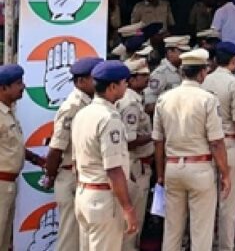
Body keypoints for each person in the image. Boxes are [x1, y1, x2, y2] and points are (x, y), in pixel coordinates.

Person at [153, 49, 230, 251]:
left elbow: (158, 142)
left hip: (172, 167)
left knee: (172, 229)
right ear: (202, 73)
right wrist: (225, 173)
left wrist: (160, 174)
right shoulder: (207, 99)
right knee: (201, 230)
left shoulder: (164, 99)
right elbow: (216, 142)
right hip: (200, 167)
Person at [71, 61, 138, 250]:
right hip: (103, 198)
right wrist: (127, 208)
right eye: (124, 82)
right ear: (113, 87)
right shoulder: (109, 118)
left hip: (84, 192)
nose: (127, 86)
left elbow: (76, 162)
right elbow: (114, 169)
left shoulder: (83, 113)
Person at [202, 42, 235, 251]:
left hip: (206, 146)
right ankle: (225, 247)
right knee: (228, 204)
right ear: (234, 60)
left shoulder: (203, 81)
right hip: (229, 143)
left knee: (205, 204)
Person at [44, 55, 100, 251]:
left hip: (84, 178)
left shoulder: (92, 103)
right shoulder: (72, 107)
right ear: (82, 81)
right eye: (95, 77)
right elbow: (56, 147)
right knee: (70, 237)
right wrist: (50, 175)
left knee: (84, 238)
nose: (99, 81)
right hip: (69, 176)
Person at [0, 66, 46, 250]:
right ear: (3, 88)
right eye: (18, 84)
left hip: (9, 184)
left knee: (3, 237)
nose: (23, 87)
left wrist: (36, 159)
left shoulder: (9, 111)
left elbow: (12, 146)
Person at [117, 58, 153, 251]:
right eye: (142, 76)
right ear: (131, 79)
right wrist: (153, 136)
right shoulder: (130, 102)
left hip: (137, 163)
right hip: (134, 164)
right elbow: (129, 140)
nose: (147, 78)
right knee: (133, 218)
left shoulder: (135, 98)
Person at [146, 37, 185, 110]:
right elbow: (149, 103)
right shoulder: (160, 73)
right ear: (170, 53)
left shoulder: (182, 69)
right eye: (182, 52)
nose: (185, 55)